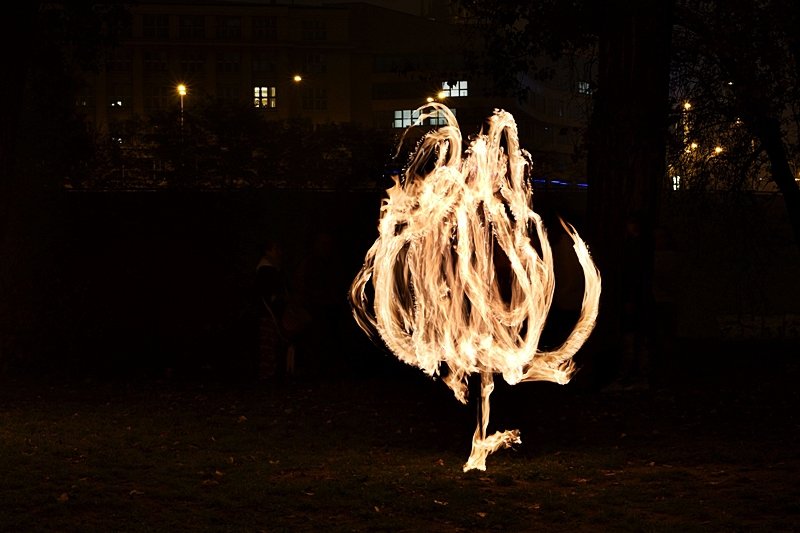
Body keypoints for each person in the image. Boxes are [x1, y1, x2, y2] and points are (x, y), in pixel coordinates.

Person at [255, 237, 300, 382]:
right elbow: (269, 293)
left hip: (273, 312)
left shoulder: (273, 268)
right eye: (276, 249)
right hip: (268, 313)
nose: (279, 252)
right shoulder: (266, 269)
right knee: (268, 344)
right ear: (268, 251)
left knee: (273, 343)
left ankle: (275, 373)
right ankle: (268, 374)